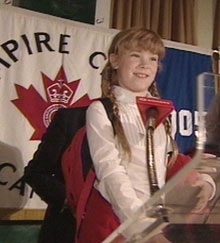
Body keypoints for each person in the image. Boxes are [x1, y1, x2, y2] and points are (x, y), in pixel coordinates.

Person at [75, 28, 215, 243]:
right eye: (135, 55)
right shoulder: (101, 110)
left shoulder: (165, 113)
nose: (145, 64)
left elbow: (171, 164)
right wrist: (143, 228)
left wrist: (204, 182)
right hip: (114, 223)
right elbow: (110, 172)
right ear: (114, 60)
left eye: (153, 58)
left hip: (154, 222)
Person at [23, 104, 91, 243]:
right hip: (67, 229)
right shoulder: (72, 119)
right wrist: (69, 200)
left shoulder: (146, 121)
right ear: (105, 83)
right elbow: (36, 172)